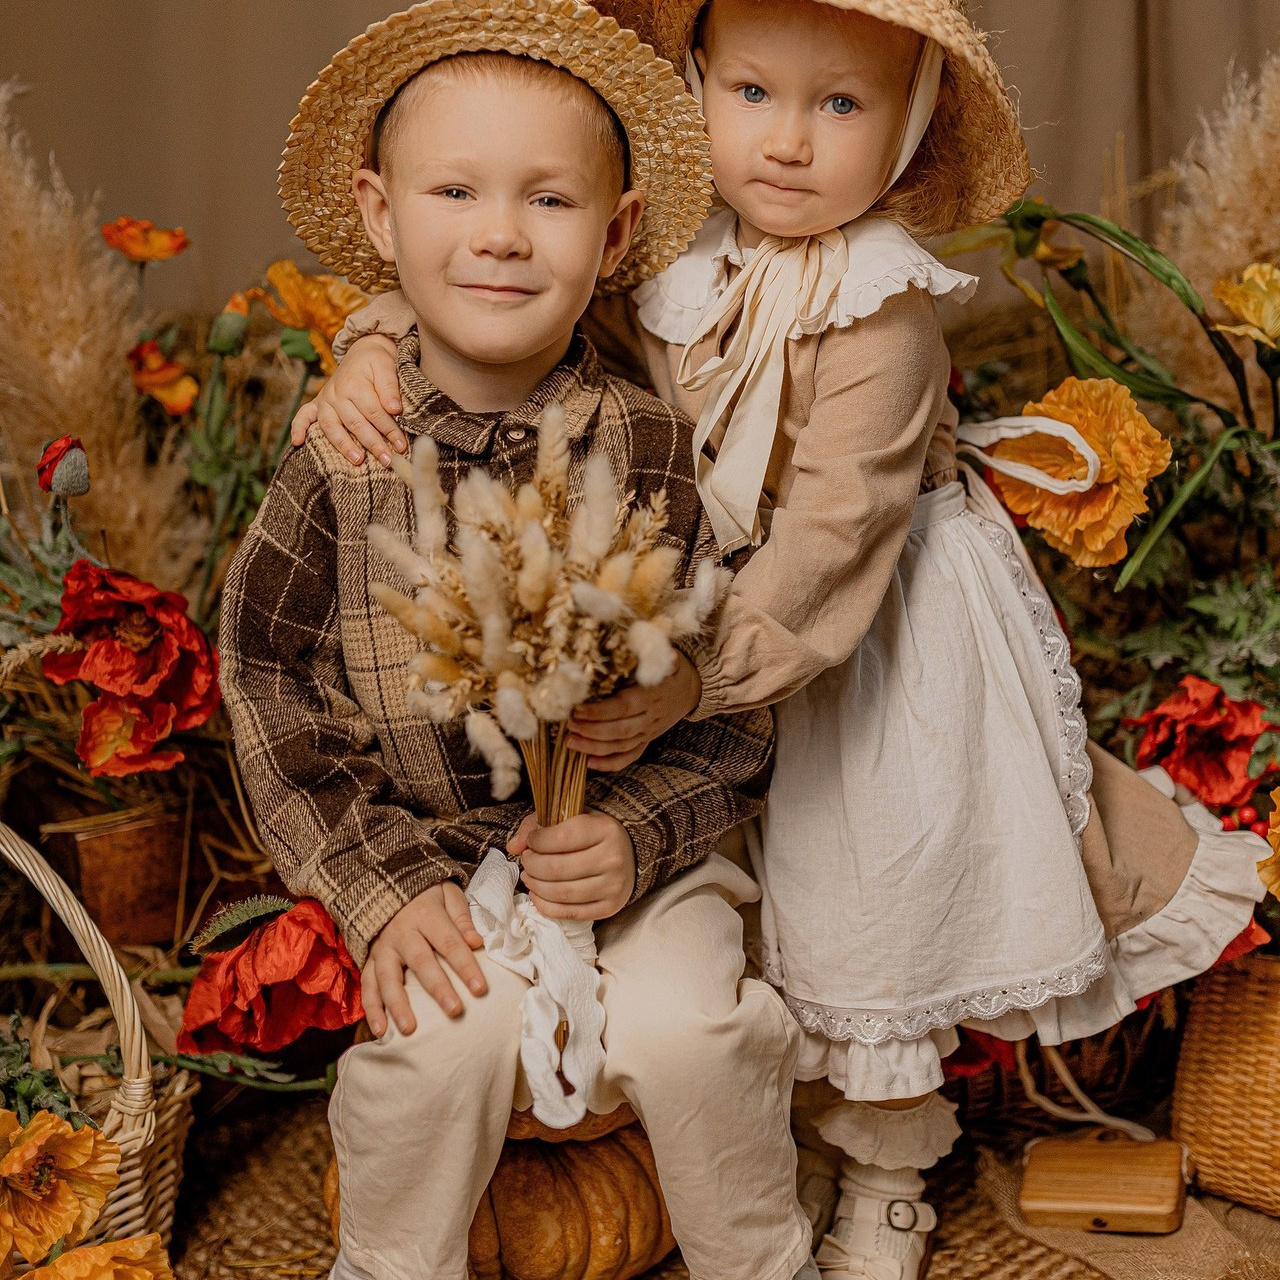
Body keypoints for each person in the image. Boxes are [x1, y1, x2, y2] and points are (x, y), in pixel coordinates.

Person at [296, 2, 1268, 1277]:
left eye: (842, 106)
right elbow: (520, 306)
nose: (789, 144)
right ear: (696, 83)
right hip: (692, 627)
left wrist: (692, 677)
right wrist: (369, 342)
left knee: (874, 910)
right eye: (751, 92)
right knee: (752, 928)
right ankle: (779, 1121)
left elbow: (829, 541)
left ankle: (883, 1168)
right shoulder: (666, 258)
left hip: (858, 642)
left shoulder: (885, 315)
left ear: (910, 131)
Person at [219, 4, 818, 1279]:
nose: (497, 232)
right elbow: (269, 678)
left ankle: (762, 1259)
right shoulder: (343, 450)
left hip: (625, 851)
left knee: (693, 1032)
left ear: (608, 239)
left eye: (547, 201)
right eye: (454, 190)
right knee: (433, 1050)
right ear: (383, 220)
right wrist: (381, 891)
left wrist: (641, 828)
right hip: (427, 859)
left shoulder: (641, 444)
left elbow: (719, 695)